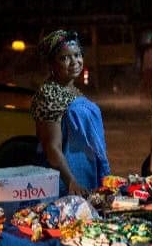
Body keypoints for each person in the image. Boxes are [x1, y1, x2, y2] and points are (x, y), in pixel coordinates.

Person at [30, 29, 111, 197]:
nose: (74, 61)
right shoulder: (49, 94)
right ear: (52, 64)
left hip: (87, 176)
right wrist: (71, 181)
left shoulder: (73, 91)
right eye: (64, 58)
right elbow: (51, 146)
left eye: (77, 55)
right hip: (66, 184)